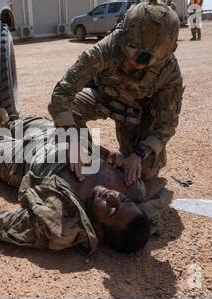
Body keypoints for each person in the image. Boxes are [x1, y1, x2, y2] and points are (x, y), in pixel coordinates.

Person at [0, 117, 173, 255]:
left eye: (110, 209)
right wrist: (117, 156)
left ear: (98, 228)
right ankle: (7, 120)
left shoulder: (61, 220)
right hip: (55, 133)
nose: (112, 197)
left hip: (21, 161)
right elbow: (148, 208)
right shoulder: (133, 188)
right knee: (16, 120)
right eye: (120, 201)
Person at [48, 1, 184, 187]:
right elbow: (61, 94)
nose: (139, 63)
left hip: (136, 115)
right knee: (69, 115)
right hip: (102, 99)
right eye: (132, 51)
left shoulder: (169, 72)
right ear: (123, 35)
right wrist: (73, 142)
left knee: (143, 172)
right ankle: (89, 154)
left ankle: (117, 157)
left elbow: (166, 125)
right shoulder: (104, 50)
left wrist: (138, 155)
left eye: (148, 60)